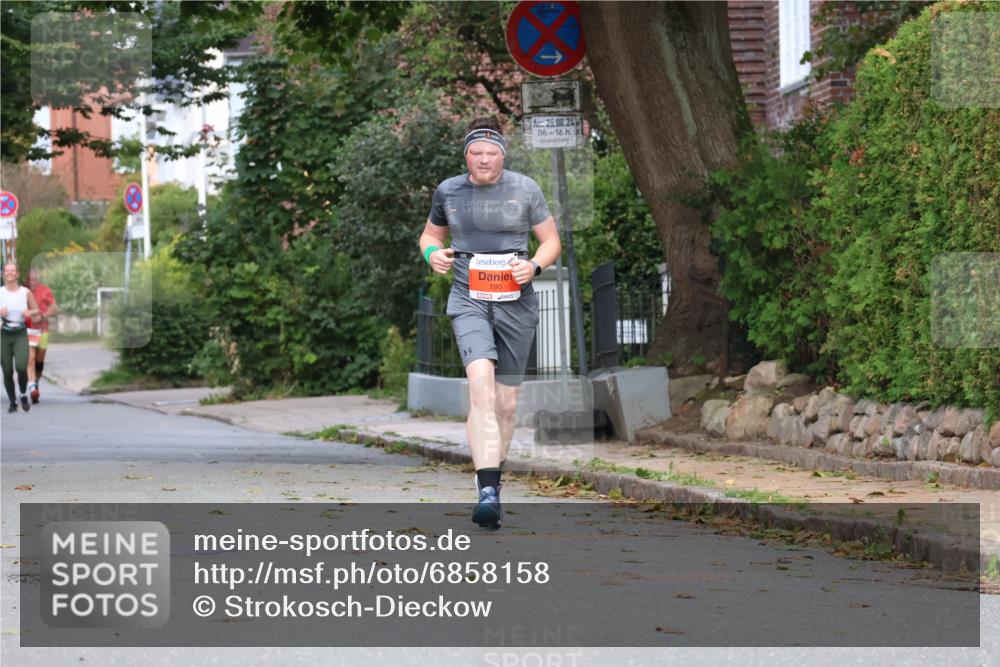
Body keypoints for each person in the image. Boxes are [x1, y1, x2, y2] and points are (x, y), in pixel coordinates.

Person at [419, 118, 561, 528]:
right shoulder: (449, 191)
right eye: (476, 153)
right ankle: (485, 490)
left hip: (516, 302)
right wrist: (434, 255)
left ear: (503, 154)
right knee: (480, 390)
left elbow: (551, 240)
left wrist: (533, 266)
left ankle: (494, 485)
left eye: (491, 152)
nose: (484, 159)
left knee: (506, 403)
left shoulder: (525, 189)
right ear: (466, 157)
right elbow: (430, 236)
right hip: (468, 299)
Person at [1, 262, 41, 414]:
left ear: (17, 274)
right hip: (3, 334)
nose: (10, 273)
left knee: (21, 367)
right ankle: (13, 402)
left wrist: (29, 313)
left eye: (13, 270)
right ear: (3, 274)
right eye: (7, 270)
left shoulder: (25, 292)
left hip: (20, 333)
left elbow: (37, 311)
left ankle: (23, 394)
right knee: (7, 370)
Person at [25, 270, 58, 403]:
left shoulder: (45, 291)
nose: (31, 282)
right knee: (30, 359)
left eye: (34, 280)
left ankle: (36, 382)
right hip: (29, 330)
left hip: (43, 330)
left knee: (39, 362)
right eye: (29, 280)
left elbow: (55, 308)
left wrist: (43, 316)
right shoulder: (23, 291)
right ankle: (33, 388)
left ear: (37, 280)